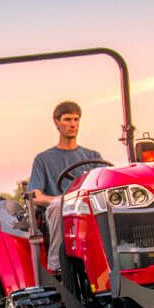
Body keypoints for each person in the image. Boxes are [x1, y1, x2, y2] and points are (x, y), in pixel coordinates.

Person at [27, 101, 102, 275]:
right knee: (57, 206)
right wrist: (59, 199)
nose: (73, 124)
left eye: (76, 119)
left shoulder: (92, 156)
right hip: (62, 209)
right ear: (56, 123)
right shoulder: (43, 159)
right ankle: (57, 266)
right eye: (67, 119)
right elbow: (35, 195)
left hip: (89, 207)